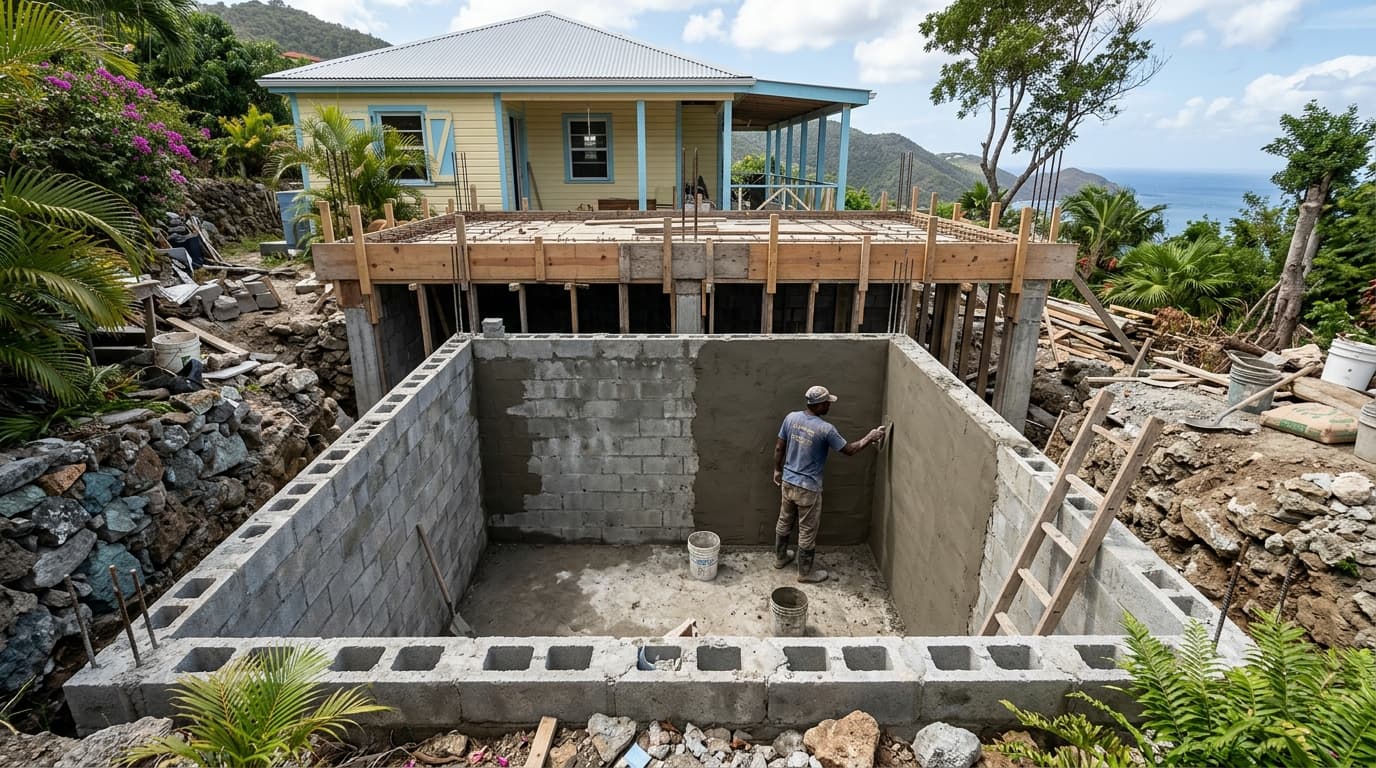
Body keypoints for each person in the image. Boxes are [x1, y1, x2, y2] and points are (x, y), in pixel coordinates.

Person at [773, 386, 886, 583]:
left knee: (784, 521)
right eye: (827, 403)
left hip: (788, 482)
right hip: (808, 488)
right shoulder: (826, 429)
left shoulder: (791, 418)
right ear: (820, 405)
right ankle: (805, 573)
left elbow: (778, 446)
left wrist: (777, 469)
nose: (829, 406)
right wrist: (871, 436)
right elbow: (849, 450)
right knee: (807, 530)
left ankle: (780, 558)